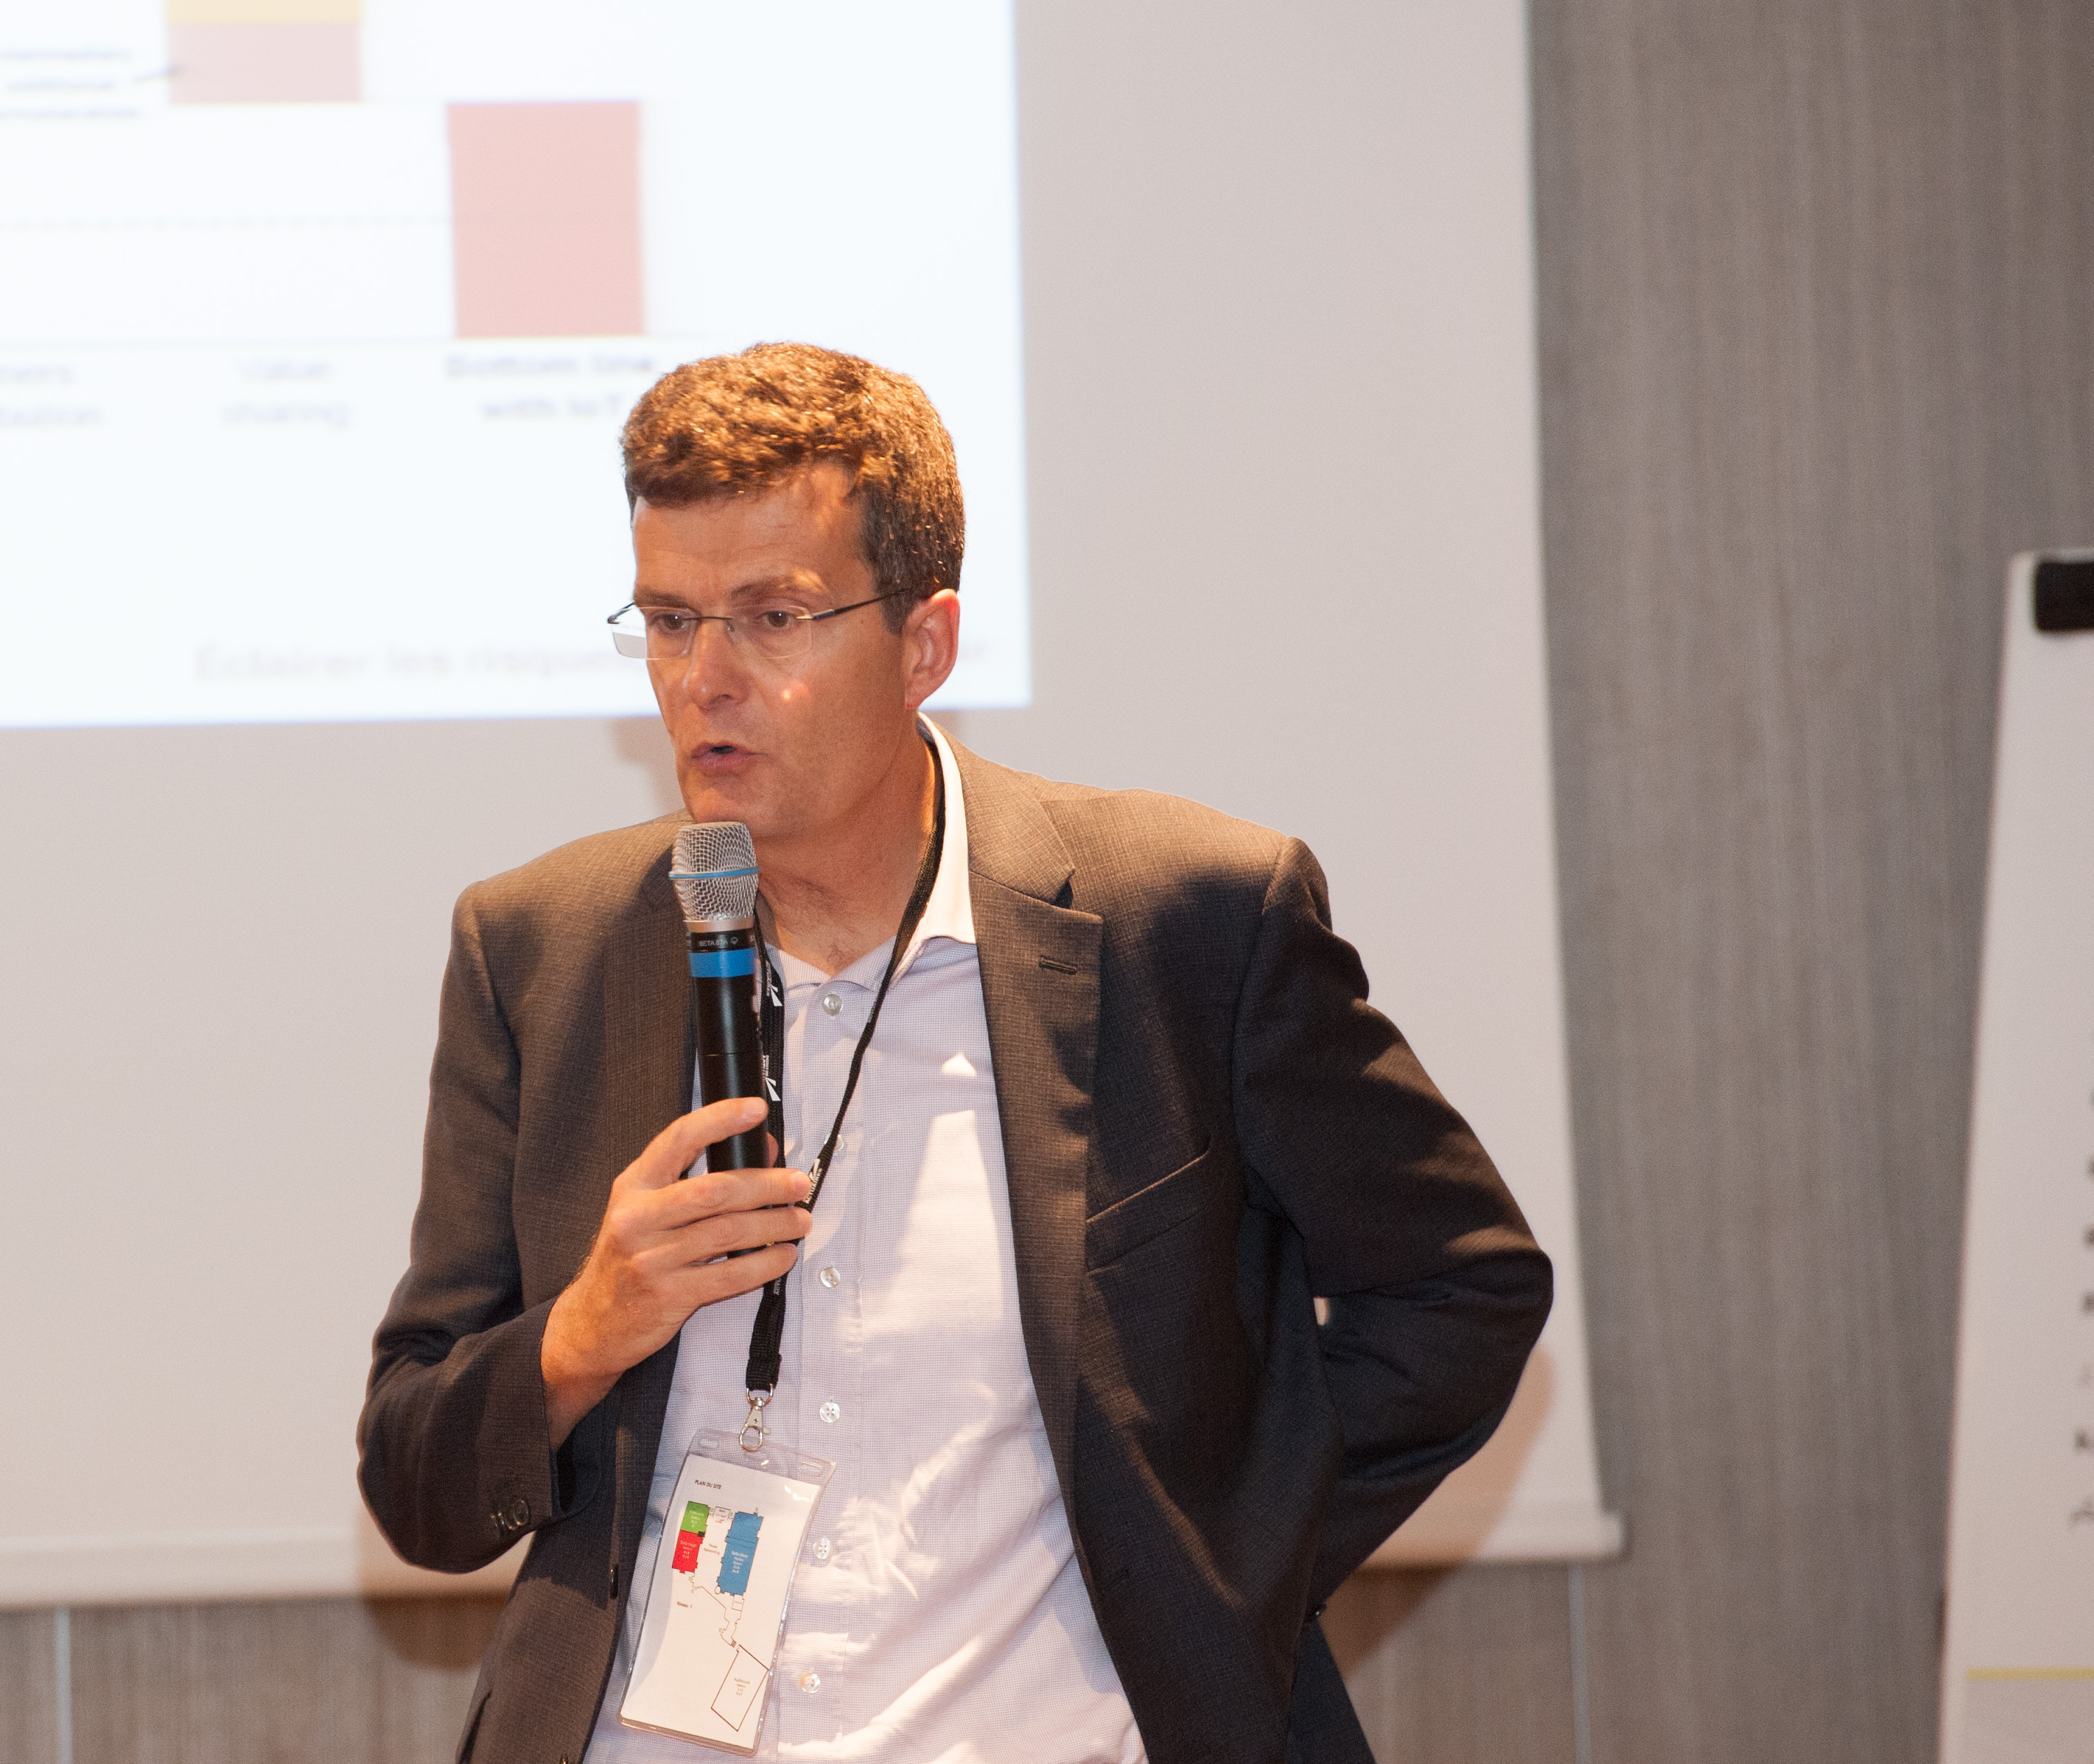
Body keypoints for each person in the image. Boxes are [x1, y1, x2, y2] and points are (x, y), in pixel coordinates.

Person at [359, 342, 1550, 1764]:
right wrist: (580, 1335)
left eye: (772, 618)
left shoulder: (1186, 924)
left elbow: (1461, 1289)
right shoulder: (540, 950)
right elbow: (416, 1480)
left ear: (925, 645)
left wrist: (1213, 1563)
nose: (704, 679)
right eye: (669, 621)